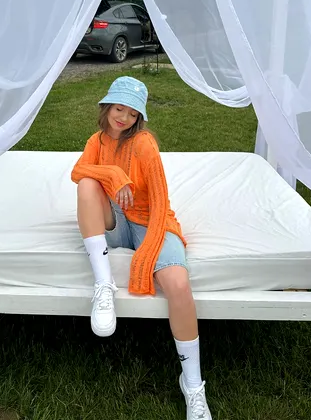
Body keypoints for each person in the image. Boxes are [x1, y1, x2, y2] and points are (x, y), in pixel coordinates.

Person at [71, 76, 212, 420]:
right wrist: (114, 175)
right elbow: (78, 170)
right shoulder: (96, 141)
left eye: (133, 113)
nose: (124, 118)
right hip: (115, 221)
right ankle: (103, 285)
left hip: (152, 220)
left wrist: (147, 252)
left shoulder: (145, 145)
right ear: (107, 107)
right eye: (119, 109)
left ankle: (193, 385)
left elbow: (161, 201)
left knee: (178, 284)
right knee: (87, 184)